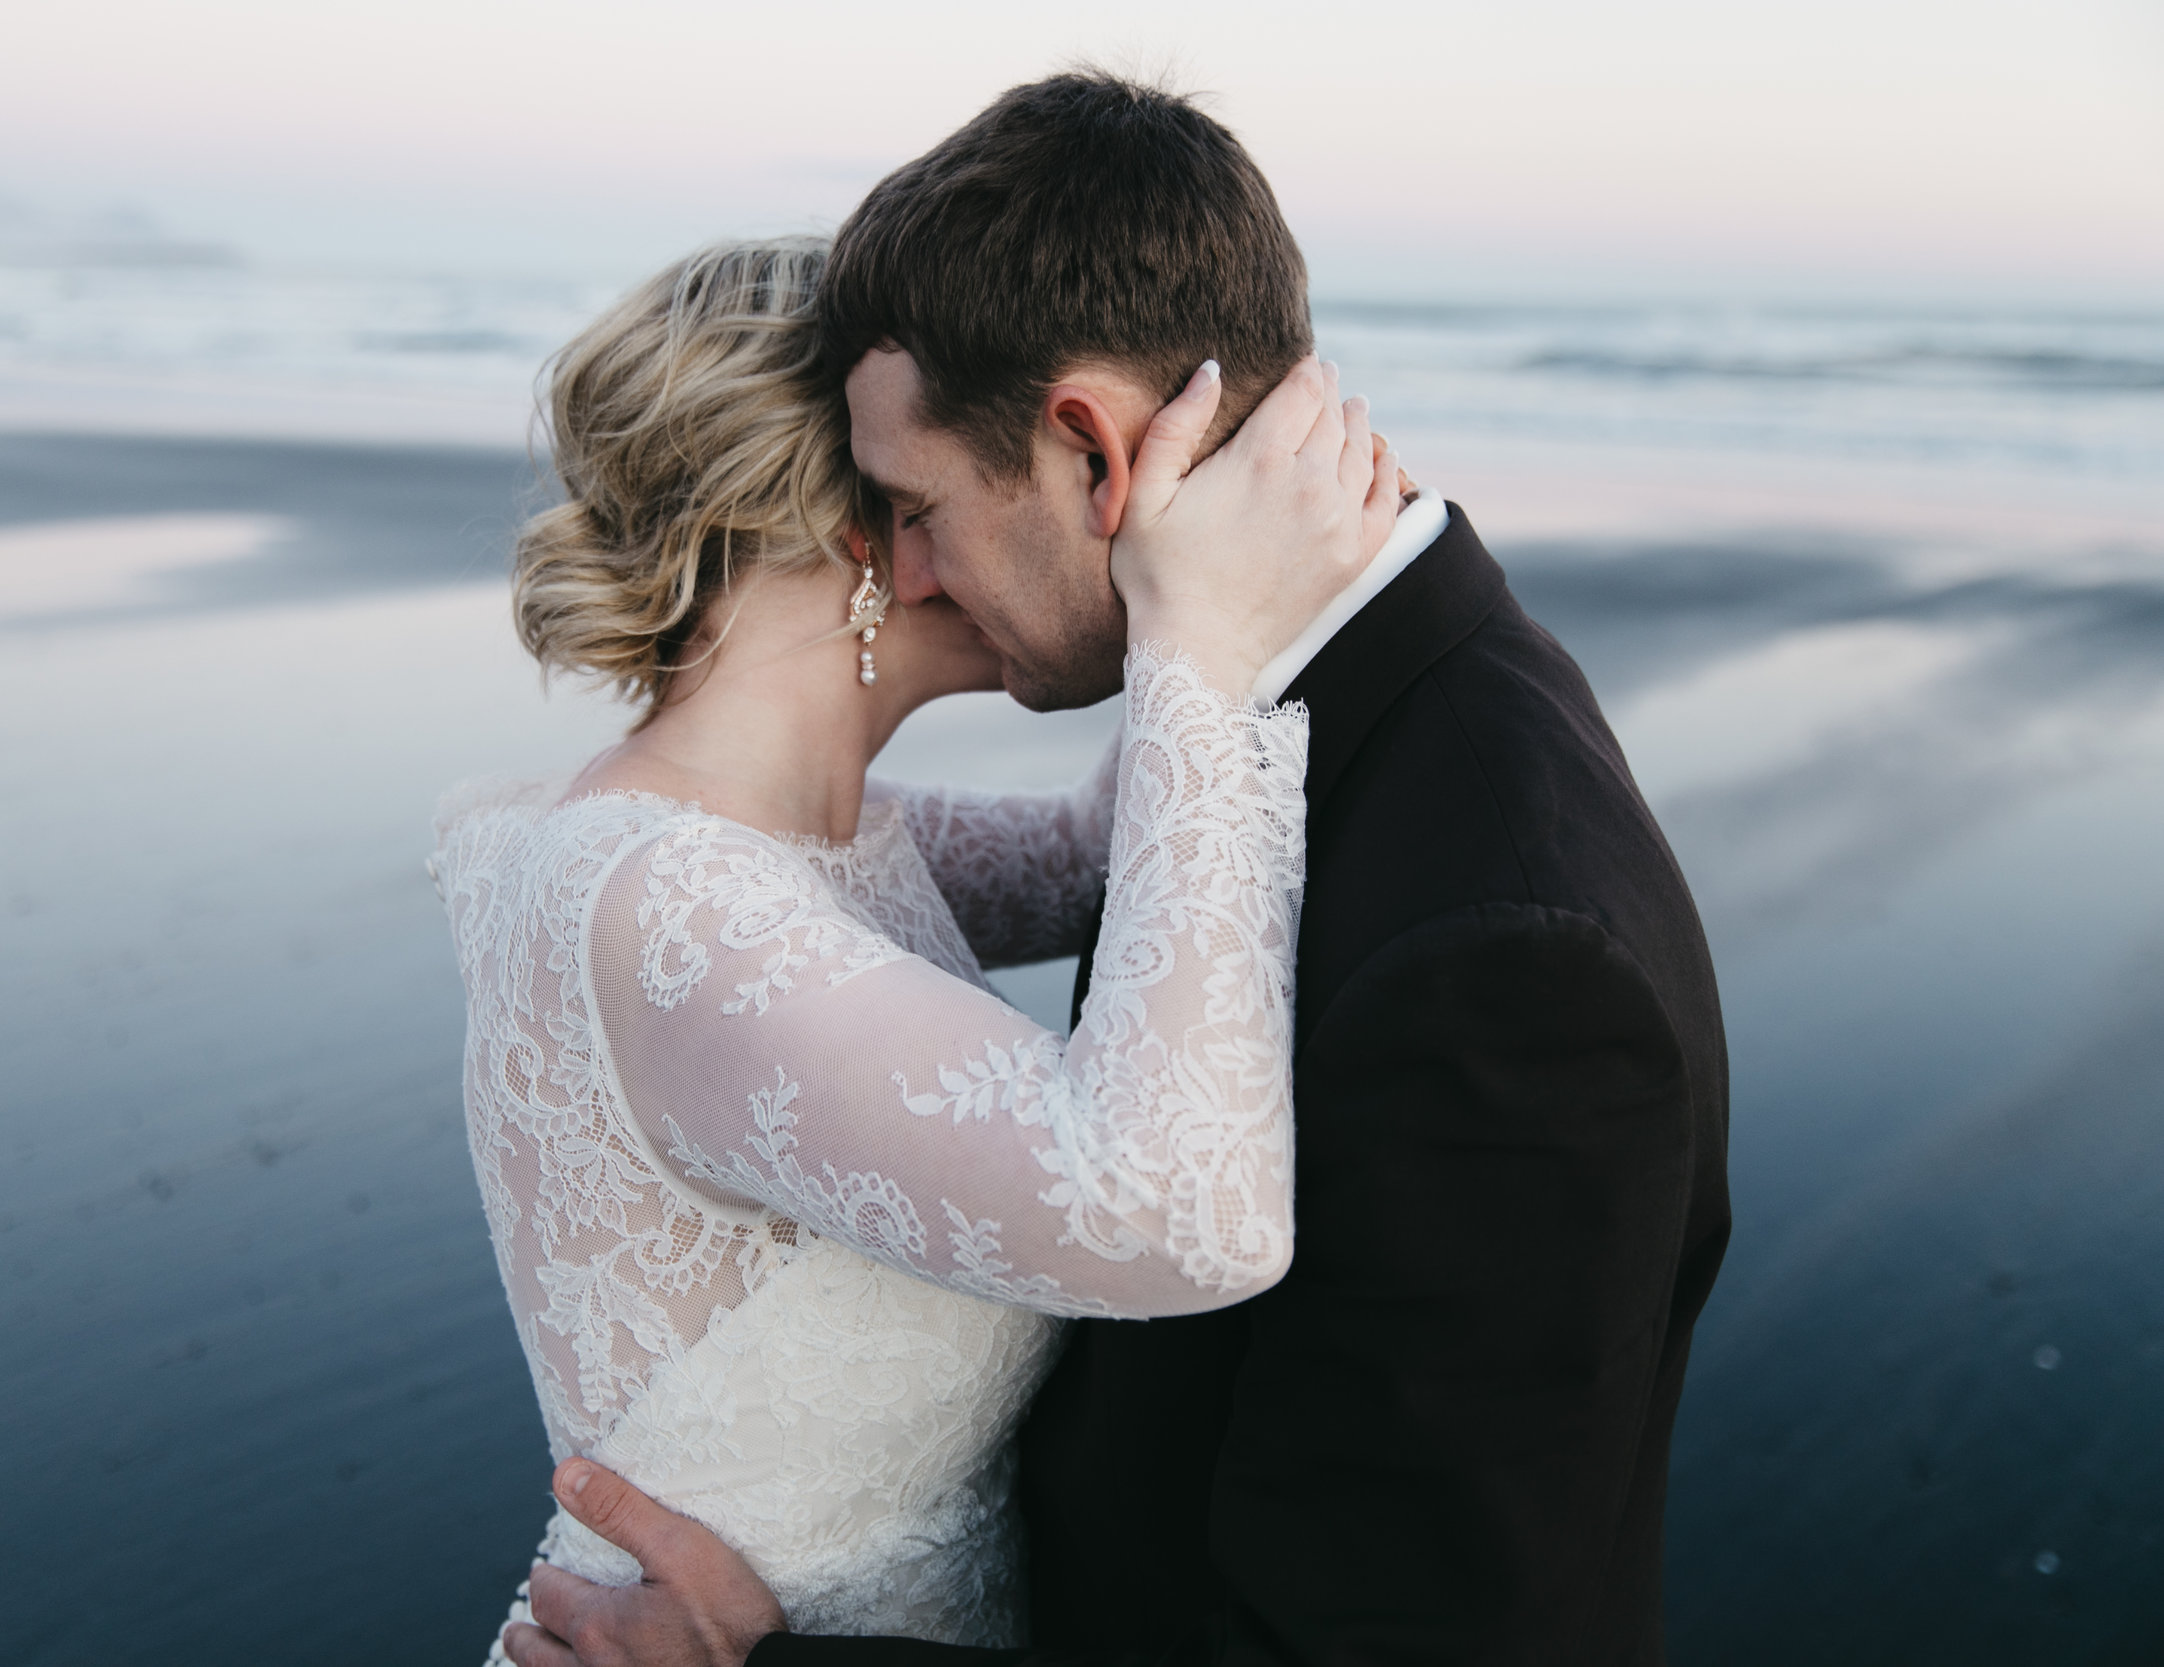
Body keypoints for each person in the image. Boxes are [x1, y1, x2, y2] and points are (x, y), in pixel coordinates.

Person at [498, 73, 1732, 1667]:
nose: (912, 561)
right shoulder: (1330, 732)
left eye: (921, 505)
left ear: (1090, 446)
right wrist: (1199, 652)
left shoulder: (1504, 956)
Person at [430, 232, 1403, 1665]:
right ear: (866, 532)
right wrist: (1193, 642)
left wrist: (1229, 543)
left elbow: (1097, 864)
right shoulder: (671, 906)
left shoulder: (804, 840)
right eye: (962, 478)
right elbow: (1185, 1212)